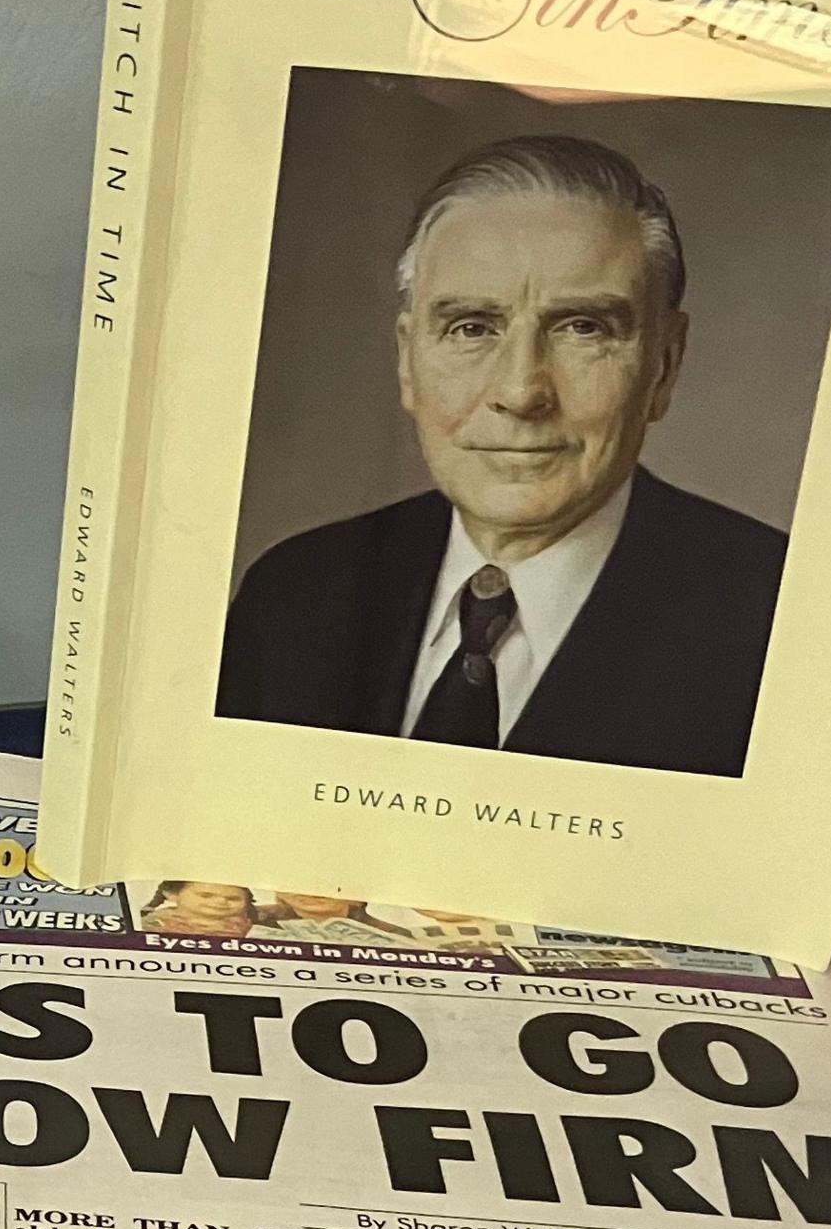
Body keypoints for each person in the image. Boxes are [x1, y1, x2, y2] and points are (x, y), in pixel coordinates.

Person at [213, 133, 787, 778]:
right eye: (471, 328)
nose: (521, 392)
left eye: (583, 328)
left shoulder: (782, 625)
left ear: (663, 366)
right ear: (408, 361)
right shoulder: (294, 594)